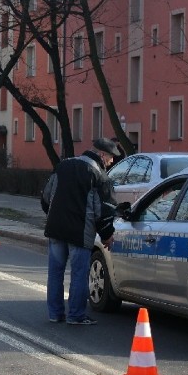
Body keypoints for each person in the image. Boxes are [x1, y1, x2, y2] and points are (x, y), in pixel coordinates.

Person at [41, 138, 118, 325]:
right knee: (79, 273)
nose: (112, 162)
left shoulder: (63, 166)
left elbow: (46, 197)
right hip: (80, 233)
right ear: (101, 155)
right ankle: (76, 315)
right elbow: (104, 210)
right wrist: (107, 235)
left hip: (56, 228)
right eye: (110, 158)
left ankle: (55, 313)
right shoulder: (99, 175)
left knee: (55, 272)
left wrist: (54, 215)